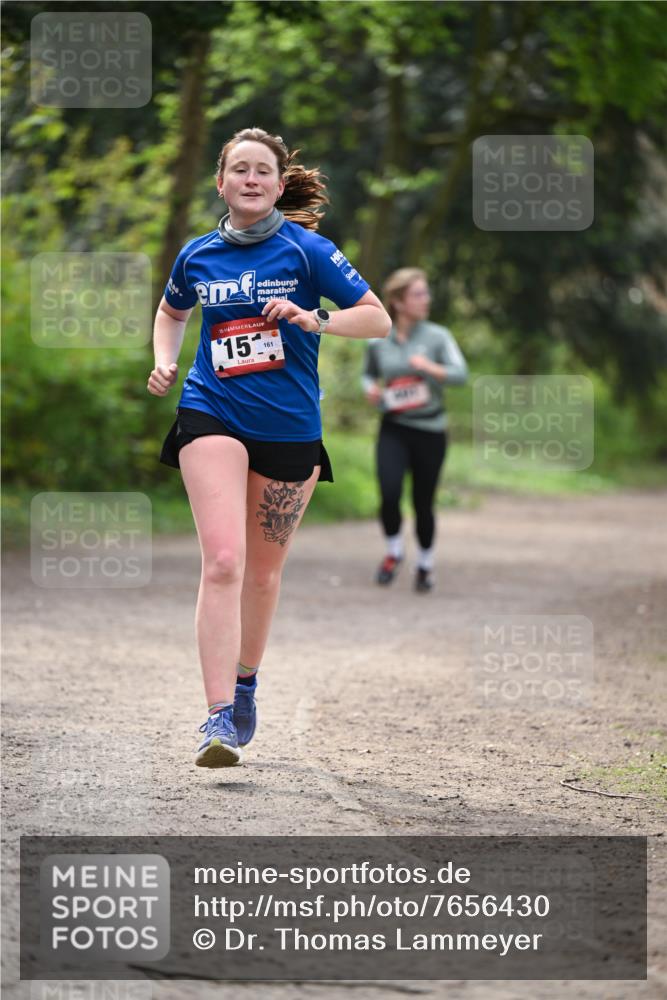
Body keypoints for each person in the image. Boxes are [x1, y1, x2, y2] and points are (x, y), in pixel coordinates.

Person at [148, 127, 390, 768]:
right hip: (211, 409)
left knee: (261, 573)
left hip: (288, 428)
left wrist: (317, 318)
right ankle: (217, 717)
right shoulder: (197, 255)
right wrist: (165, 360)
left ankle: (245, 680)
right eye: (240, 169)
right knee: (224, 562)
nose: (250, 179)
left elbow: (378, 317)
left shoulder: (308, 251)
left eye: (263, 171)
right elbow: (172, 313)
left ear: (280, 186)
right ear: (221, 182)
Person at [362, 267, 468, 593]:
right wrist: (370, 389)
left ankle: (425, 564)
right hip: (393, 428)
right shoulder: (378, 339)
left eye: (426, 293)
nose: (427, 299)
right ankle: (394, 551)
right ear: (398, 302)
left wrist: (430, 367)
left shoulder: (438, 336)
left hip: (430, 430)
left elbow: (460, 374)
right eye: (419, 294)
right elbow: (368, 374)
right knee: (389, 493)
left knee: (423, 501)